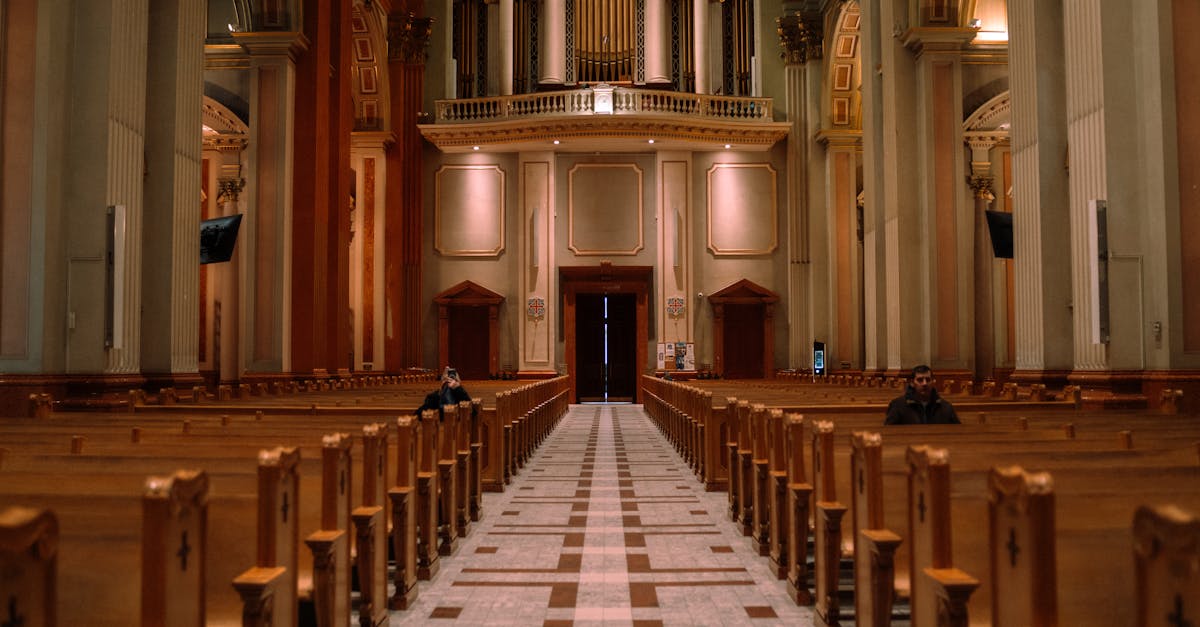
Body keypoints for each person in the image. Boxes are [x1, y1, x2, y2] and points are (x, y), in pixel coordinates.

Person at [884, 364, 960, 425]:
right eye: (920, 380)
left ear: (933, 382)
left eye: (928, 380)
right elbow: (889, 431)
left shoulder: (945, 407)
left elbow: (957, 431)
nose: (924, 383)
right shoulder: (898, 406)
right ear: (912, 383)